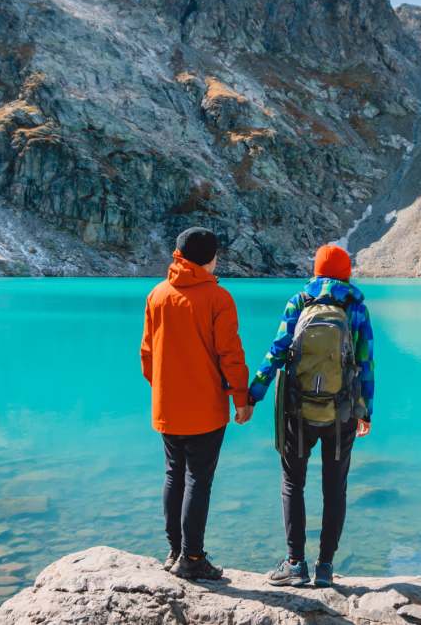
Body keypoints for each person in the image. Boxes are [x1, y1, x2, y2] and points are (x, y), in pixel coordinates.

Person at [247, 243, 375, 588]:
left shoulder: (299, 301)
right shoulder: (356, 307)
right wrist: (365, 411)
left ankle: (294, 564)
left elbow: (277, 351)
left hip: (297, 409)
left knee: (293, 483)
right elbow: (365, 363)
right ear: (347, 272)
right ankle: (325, 568)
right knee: (335, 489)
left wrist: (253, 393)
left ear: (316, 270)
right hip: (341, 412)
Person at [140, 227, 253, 580]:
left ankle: (174, 550)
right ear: (209, 258)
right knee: (198, 481)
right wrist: (241, 398)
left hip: (167, 407)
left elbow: (147, 354)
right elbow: (230, 355)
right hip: (205, 410)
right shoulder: (218, 299)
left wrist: (163, 390)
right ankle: (192, 558)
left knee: (174, 474)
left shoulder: (157, 294)